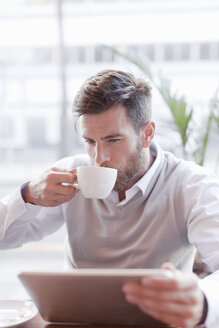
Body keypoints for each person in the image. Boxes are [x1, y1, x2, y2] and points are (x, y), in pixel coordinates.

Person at [0, 69, 219, 328]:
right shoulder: (70, 175)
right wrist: (27, 196)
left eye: (112, 139)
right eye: (90, 141)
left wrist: (203, 301)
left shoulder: (190, 185)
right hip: (76, 322)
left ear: (147, 133)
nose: (99, 157)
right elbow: (6, 240)